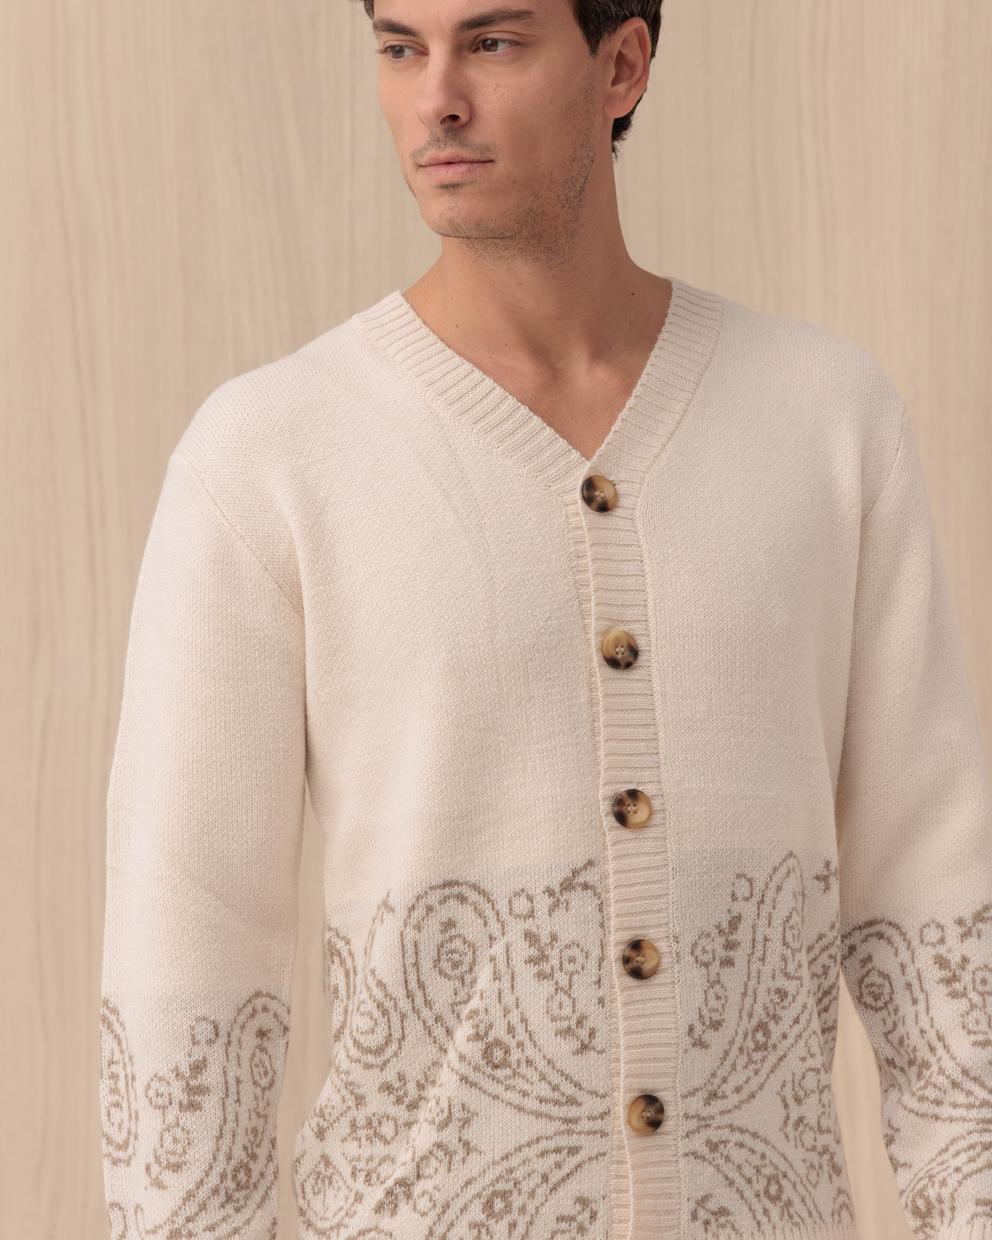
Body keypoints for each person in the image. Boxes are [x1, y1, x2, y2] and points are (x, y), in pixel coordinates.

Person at [99, 2, 992, 1238]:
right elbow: (187, 937)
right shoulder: (270, 454)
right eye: (400, 48)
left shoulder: (825, 422)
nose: (435, 99)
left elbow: (935, 897)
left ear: (620, 65)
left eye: (493, 43)